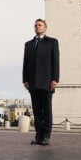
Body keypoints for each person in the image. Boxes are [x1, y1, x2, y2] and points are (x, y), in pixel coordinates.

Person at [22, 18, 59, 146]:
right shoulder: (28, 44)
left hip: (47, 82)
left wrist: (55, 79)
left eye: (40, 25)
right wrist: (25, 80)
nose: (38, 27)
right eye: (36, 25)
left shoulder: (52, 42)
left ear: (45, 28)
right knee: (37, 112)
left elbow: (55, 61)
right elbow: (25, 63)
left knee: (47, 111)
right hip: (32, 83)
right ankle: (38, 136)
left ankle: (46, 136)